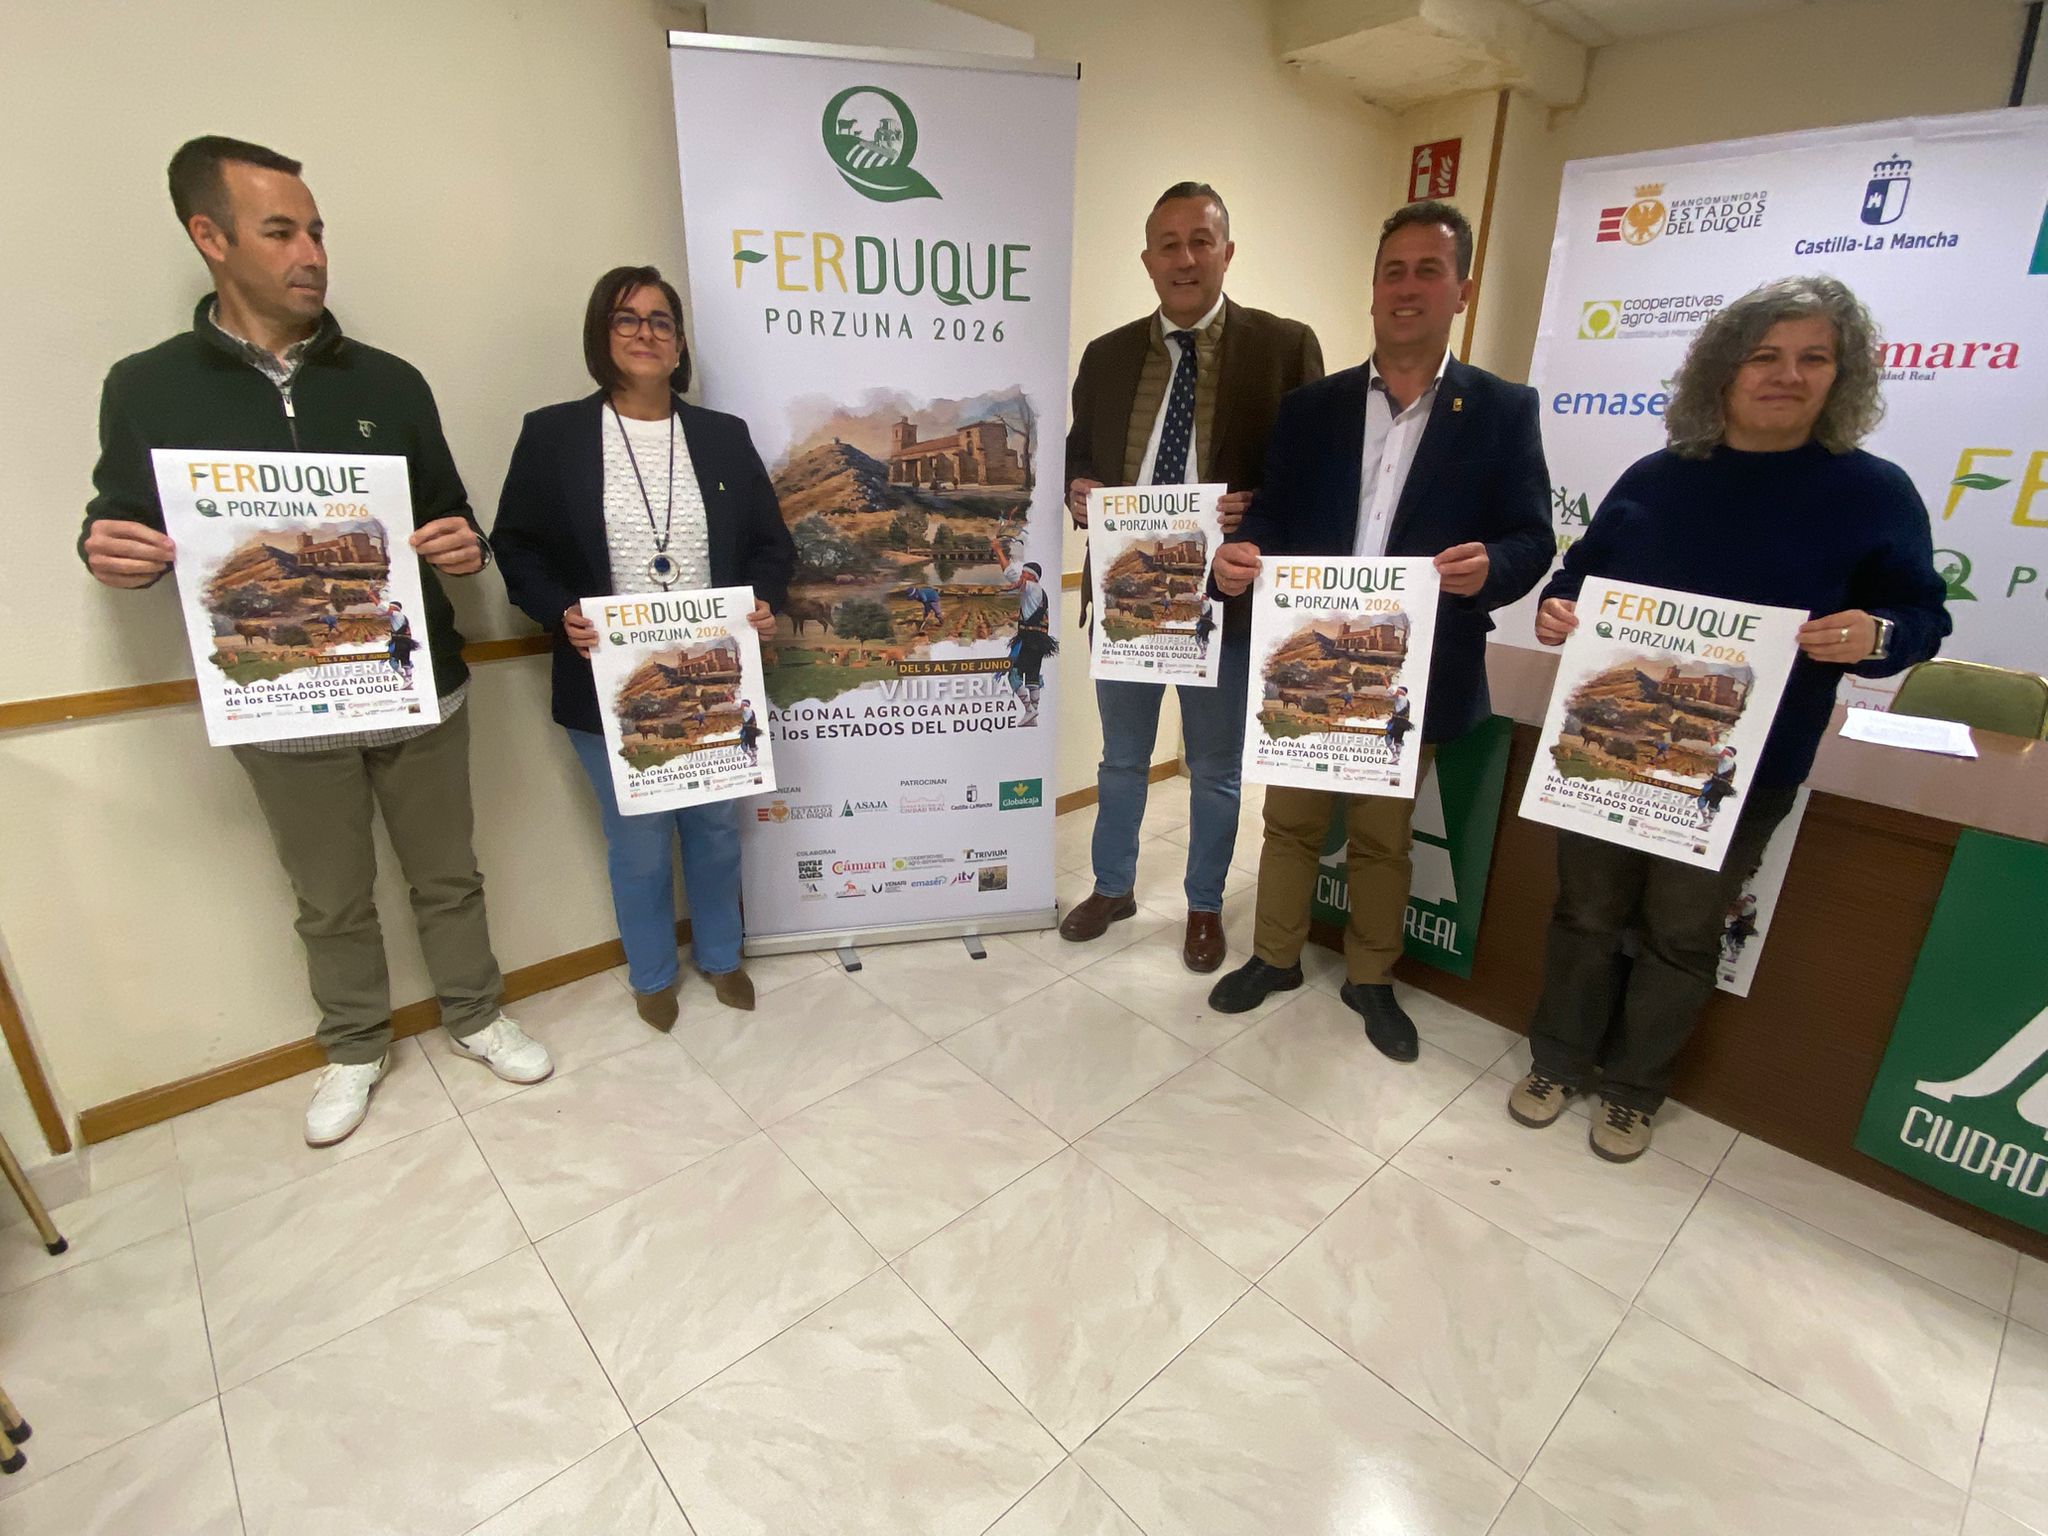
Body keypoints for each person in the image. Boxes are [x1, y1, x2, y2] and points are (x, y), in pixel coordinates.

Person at [79, 136, 552, 1148]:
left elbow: (451, 516)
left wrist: (461, 544)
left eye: (318, 232)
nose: (312, 255)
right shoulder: (147, 386)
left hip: (413, 681)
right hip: (281, 698)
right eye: (281, 231)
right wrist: (108, 545)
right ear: (210, 238)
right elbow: (121, 517)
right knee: (329, 897)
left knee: (448, 873)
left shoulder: (389, 382)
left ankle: (475, 1013)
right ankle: (354, 1045)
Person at [1512, 274, 1949, 1162]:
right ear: (1723, 370)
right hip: (1612, 749)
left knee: (1681, 932)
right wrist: (1560, 608)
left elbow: (1921, 618)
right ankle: (1557, 1060)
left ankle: (1633, 1090)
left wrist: (1878, 634)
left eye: (1813, 358)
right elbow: (1579, 577)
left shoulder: (1874, 492)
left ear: (1842, 376)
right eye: (1765, 356)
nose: (1787, 375)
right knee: (1586, 910)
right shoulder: (1657, 478)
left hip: (1743, 768)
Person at [1206, 200, 1553, 1058]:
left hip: (1412, 670)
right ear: (1372, 290)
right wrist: (1239, 557)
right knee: (1288, 824)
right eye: (1393, 271)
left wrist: (1492, 566)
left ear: (1461, 290)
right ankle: (1275, 957)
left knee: (1381, 837)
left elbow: (1532, 537)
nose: (1407, 287)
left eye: (1428, 271)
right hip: (1308, 663)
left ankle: (1370, 978)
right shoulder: (1310, 408)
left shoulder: (1502, 410)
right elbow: (1273, 519)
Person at [492, 265, 794, 1026]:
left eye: (661, 321)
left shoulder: (722, 438)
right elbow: (518, 547)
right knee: (638, 841)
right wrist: (558, 611)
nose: (645, 333)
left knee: (715, 831)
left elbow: (770, 545)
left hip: (715, 678)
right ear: (602, 335)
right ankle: (653, 973)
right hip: (606, 682)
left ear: (679, 342)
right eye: (626, 319)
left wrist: (763, 602)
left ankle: (721, 956)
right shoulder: (553, 434)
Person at [1063, 181, 1325, 973]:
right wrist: (1079, 490)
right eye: (1168, 244)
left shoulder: (1283, 346)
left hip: (1226, 599)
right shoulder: (1108, 356)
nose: (1185, 258)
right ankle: (1113, 887)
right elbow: (1082, 455)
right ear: (1147, 260)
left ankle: (1204, 903)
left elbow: (1312, 478)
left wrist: (1259, 511)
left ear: (1226, 252)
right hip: (1130, 596)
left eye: (1200, 241)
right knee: (1120, 758)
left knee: (1213, 768)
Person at [1003, 560, 1053, 726]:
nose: (1021, 576)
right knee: (1032, 676)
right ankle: (1033, 719)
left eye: (1024, 573)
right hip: (1040, 641)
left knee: (1013, 674)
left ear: (1032, 576)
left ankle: (1029, 710)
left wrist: (998, 551)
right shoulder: (1041, 593)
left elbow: (1012, 576)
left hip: (1029, 640)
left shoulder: (1032, 588)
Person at [384, 600, 417, 684]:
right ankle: (409, 679)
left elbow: (385, 612)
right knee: (405, 662)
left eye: (390, 607)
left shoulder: (396, 614)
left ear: (395, 607)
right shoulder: (403, 618)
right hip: (407, 642)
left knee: (392, 661)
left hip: (399, 642)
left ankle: (406, 679)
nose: (389, 608)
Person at [1385, 685, 1413, 754]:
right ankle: (1397, 755)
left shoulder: (1401, 697)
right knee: (1398, 740)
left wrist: (1384, 680)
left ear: (1401, 692)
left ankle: (1395, 754)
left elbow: (1390, 691)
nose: (1396, 691)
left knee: (1388, 737)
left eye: (1398, 690)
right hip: (1401, 723)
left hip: (1397, 722)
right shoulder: (1406, 701)